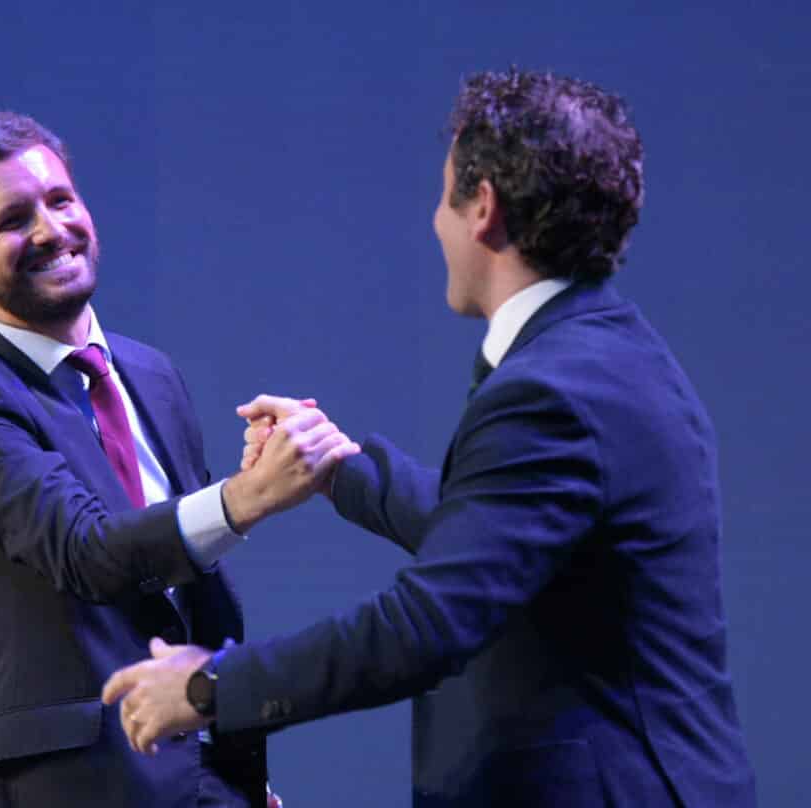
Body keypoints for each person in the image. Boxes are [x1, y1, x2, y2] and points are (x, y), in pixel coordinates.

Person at [102, 70, 757, 807]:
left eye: (443, 196)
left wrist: (209, 685)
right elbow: (498, 542)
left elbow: (427, 622)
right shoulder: (613, 354)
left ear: (483, 208)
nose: (433, 222)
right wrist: (337, 464)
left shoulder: (553, 392)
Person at [0, 111, 357, 807]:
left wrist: (235, 769)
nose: (52, 230)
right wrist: (248, 496)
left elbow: (186, 594)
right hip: (53, 786)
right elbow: (86, 551)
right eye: (13, 220)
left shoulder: (150, 375)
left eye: (60, 201)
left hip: (198, 775)